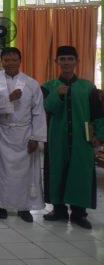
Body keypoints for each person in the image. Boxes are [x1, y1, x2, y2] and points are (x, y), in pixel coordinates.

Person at [42, 45, 103, 229]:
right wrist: (58, 95)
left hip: (82, 139)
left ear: (77, 61)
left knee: (80, 173)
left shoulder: (88, 87)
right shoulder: (48, 87)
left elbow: (98, 114)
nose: (66, 62)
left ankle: (78, 213)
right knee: (57, 171)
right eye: (63, 59)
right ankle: (58, 210)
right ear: (57, 62)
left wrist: (99, 136)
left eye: (70, 59)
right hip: (56, 139)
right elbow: (46, 108)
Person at [0, 47, 46, 222]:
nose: (10, 63)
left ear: (20, 61)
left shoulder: (31, 84)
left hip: (24, 134)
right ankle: (0, 204)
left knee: (24, 173)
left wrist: (35, 137)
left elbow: (38, 112)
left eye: (14, 59)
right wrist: (8, 99)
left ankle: (24, 207)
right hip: (1, 132)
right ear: (2, 62)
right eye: (7, 60)